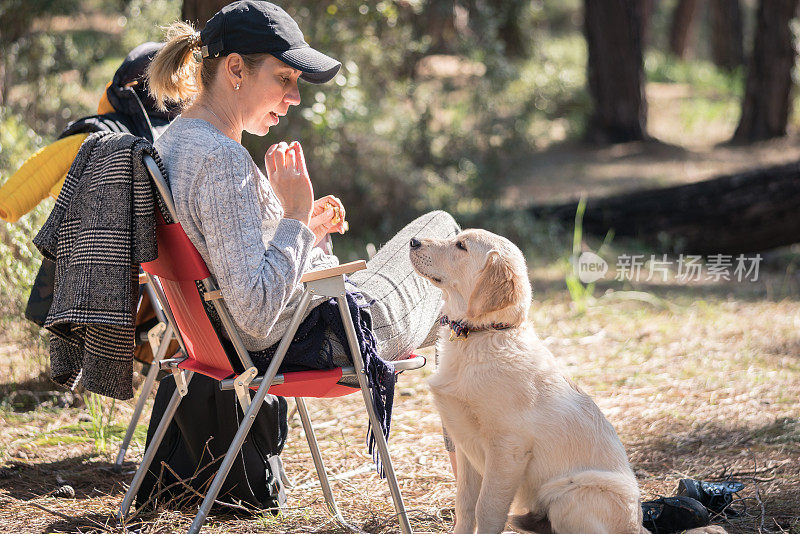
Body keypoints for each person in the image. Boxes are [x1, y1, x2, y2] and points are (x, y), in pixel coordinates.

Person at [147, 1, 459, 395]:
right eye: (283, 78)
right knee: (444, 231)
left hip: (264, 342)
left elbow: (239, 269)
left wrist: (304, 228)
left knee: (462, 315)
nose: (294, 97)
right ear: (236, 69)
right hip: (329, 337)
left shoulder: (173, 141)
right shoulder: (221, 159)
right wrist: (293, 215)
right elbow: (256, 313)